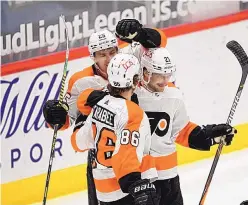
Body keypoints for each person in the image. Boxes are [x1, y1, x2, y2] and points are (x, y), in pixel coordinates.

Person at [77, 47, 238, 205]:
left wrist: (208, 136)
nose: (165, 80)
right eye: (159, 74)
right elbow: (88, 103)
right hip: (140, 178)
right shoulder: (128, 96)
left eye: (168, 74)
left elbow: (181, 131)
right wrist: (88, 98)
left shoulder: (173, 95)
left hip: (166, 177)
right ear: (145, 72)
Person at [43, 19, 167, 205]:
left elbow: (160, 42)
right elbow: (67, 121)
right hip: (103, 156)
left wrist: (141, 34)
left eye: (112, 52)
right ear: (92, 56)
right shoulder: (80, 81)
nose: (109, 59)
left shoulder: (128, 62)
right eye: (102, 55)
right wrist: (54, 116)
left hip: (137, 145)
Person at [72, 53, 158, 205]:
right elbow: (126, 154)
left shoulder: (99, 105)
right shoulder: (133, 112)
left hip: (103, 192)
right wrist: (137, 187)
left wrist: (81, 119)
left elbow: (78, 143)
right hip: (125, 191)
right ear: (134, 81)